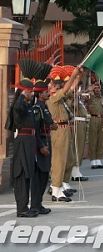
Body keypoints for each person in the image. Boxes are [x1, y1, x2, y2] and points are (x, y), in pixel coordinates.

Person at [7, 59, 40, 217]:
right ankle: (21, 208)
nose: (32, 94)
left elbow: (33, 101)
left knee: (28, 174)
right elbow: (19, 106)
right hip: (22, 142)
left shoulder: (27, 105)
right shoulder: (18, 105)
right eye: (29, 91)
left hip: (29, 143)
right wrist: (22, 91)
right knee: (21, 174)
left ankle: (25, 206)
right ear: (23, 92)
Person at [47, 65, 82, 202]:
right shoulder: (53, 99)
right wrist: (73, 75)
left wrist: (79, 76)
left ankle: (60, 185)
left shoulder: (59, 98)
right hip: (59, 130)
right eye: (56, 86)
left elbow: (71, 89)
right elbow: (67, 88)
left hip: (65, 129)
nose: (58, 87)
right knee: (59, 160)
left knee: (69, 158)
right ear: (52, 89)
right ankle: (55, 189)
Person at [31, 63, 54, 215]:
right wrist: (41, 146)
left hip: (47, 140)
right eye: (46, 92)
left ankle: (38, 204)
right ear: (40, 95)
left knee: (45, 174)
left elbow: (48, 123)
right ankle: (35, 204)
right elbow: (36, 130)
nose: (48, 93)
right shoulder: (37, 108)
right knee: (39, 175)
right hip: (42, 143)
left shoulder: (44, 107)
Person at [86, 82, 103, 169]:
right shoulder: (90, 97)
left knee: (101, 140)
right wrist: (89, 90)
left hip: (101, 119)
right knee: (93, 139)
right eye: (96, 88)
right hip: (93, 118)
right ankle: (93, 160)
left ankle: (99, 159)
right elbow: (85, 97)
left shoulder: (102, 98)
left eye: (98, 88)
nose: (97, 90)